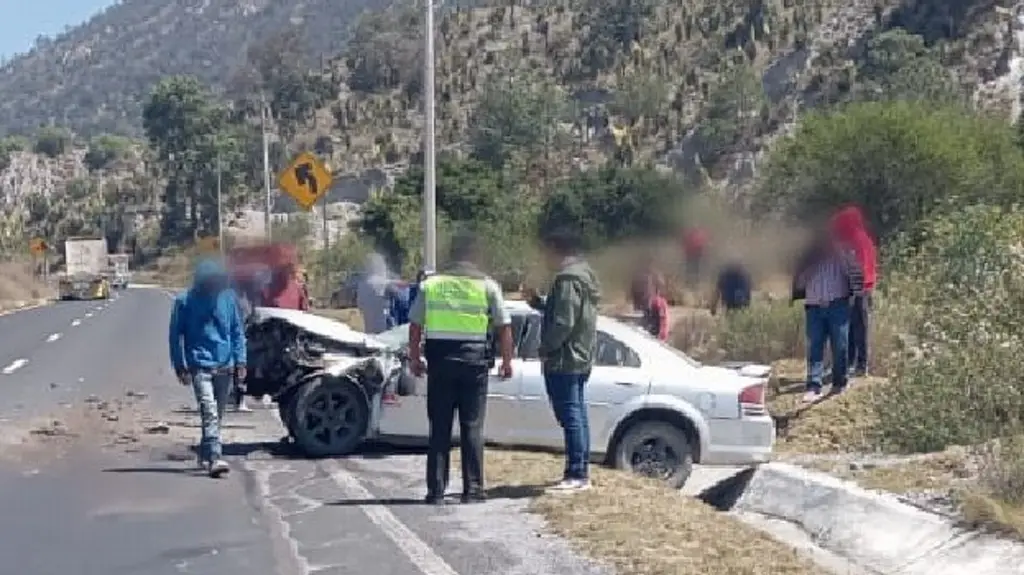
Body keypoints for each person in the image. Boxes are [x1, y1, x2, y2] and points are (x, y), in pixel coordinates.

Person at [408, 232, 514, 504]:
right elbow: (504, 327)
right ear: (475, 256)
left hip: (440, 363)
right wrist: (506, 361)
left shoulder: (430, 285)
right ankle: (474, 490)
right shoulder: (488, 286)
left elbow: (415, 325)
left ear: (451, 255)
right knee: (472, 427)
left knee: (439, 428)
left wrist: (415, 358)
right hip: (474, 364)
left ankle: (436, 492)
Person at [524, 229, 602, 493]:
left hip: (566, 359)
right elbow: (566, 310)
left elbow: (564, 321)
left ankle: (577, 474)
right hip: (580, 357)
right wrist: (540, 303)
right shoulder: (584, 276)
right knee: (576, 414)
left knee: (571, 416)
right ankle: (579, 471)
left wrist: (546, 347)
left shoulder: (568, 279)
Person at [169, 258, 247, 478]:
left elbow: (236, 332)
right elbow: (176, 336)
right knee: (209, 411)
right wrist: (179, 366)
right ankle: (214, 458)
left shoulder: (228, 299)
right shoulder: (184, 302)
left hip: (225, 366)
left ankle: (205, 453)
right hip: (199, 366)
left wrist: (241, 361)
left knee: (217, 415)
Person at [791, 225, 864, 404]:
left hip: (838, 305)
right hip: (814, 307)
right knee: (815, 347)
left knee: (840, 345)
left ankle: (840, 382)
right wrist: (808, 268)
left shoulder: (843, 253)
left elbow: (855, 274)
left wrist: (841, 255)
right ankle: (813, 386)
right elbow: (799, 283)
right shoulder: (807, 258)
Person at [830, 205, 877, 377]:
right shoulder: (852, 238)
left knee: (860, 328)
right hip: (854, 289)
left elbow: (863, 266)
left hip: (861, 290)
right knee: (850, 327)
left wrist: (855, 289)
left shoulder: (859, 239)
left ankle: (861, 365)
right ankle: (849, 363)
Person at [357, 253, 393, 334]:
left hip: (369, 327)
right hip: (382, 327)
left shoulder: (362, 285)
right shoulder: (381, 282)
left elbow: (360, 305)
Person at [643, 275, 669, 341]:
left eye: (649, 285)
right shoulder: (647, 301)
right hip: (646, 336)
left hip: (656, 338)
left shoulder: (660, 303)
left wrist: (660, 338)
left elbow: (663, 322)